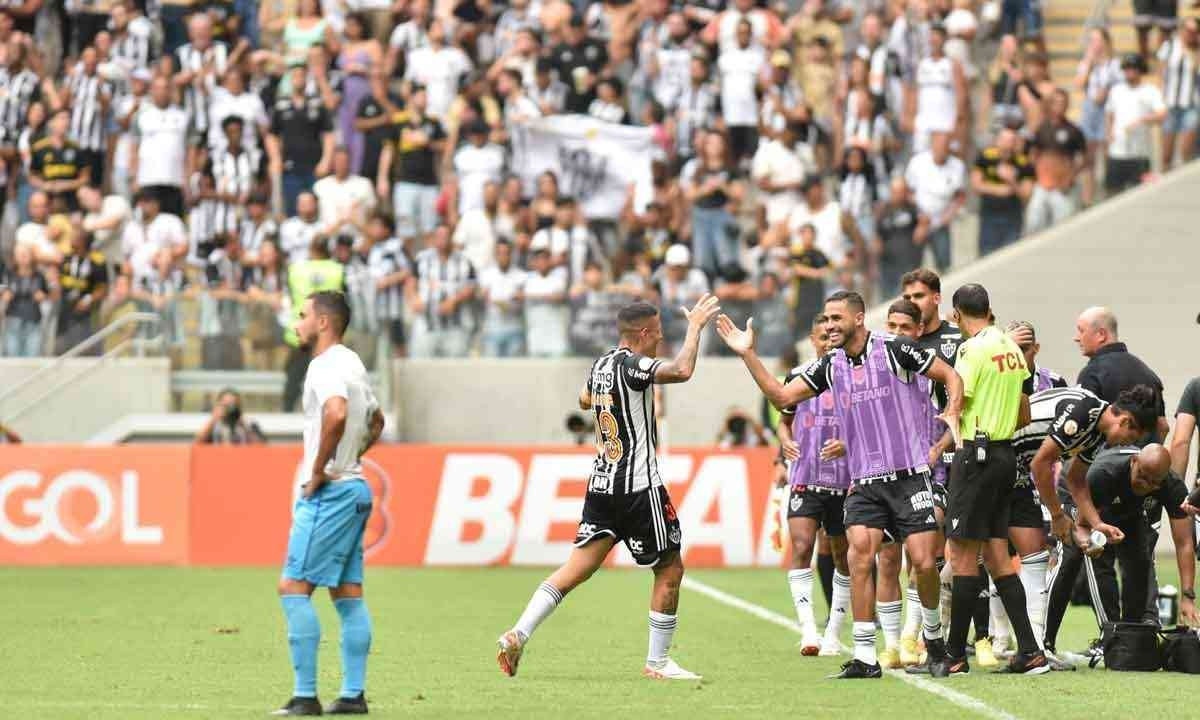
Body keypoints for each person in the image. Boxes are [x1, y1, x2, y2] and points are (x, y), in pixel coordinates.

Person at [717, 290, 963, 679]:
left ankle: (933, 640)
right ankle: (865, 656)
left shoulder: (895, 349)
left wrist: (951, 410)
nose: (829, 325)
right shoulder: (830, 365)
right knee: (858, 558)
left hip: (909, 476)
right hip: (864, 482)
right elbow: (782, 395)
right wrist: (748, 354)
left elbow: (949, 374)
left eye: (837, 318)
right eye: (826, 319)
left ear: (859, 318)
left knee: (922, 561)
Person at [495, 295, 721, 681]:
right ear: (645, 333)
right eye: (660, 335)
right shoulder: (635, 366)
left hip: (602, 485)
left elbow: (584, 400)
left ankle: (520, 631)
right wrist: (696, 327)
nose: (661, 341)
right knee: (669, 569)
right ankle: (659, 662)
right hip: (638, 487)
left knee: (574, 569)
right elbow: (682, 370)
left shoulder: (600, 365)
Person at [908, 283, 1043, 677]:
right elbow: (1023, 414)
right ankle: (1031, 651)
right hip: (1004, 456)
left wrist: (949, 423)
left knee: (962, 556)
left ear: (956, 314)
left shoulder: (971, 349)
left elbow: (957, 396)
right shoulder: (1011, 348)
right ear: (989, 308)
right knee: (998, 556)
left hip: (977, 456)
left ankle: (953, 655)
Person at [274, 290, 384, 717]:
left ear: (323, 322)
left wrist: (320, 468)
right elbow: (376, 420)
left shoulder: (324, 366)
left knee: (293, 588)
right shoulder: (353, 361)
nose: (297, 323)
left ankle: (305, 698)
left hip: (332, 492)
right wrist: (353, 457)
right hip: (356, 489)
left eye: (302, 315)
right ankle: (352, 696)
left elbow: (336, 414)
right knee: (347, 593)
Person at [1044, 445, 1199, 657]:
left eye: (1154, 482)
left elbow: (1184, 544)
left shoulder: (1171, 486)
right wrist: (1093, 539)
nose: (1146, 485)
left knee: (1139, 561)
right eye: (1142, 477)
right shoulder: (1104, 473)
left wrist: (1188, 597)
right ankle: (1060, 641)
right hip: (1078, 492)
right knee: (1078, 558)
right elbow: (1083, 527)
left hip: (1127, 508)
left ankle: (1128, 639)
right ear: (1134, 461)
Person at [776, 313, 850, 657]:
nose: (827, 342)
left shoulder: (852, 375)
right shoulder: (798, 377)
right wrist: (785, 441)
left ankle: (834, 631)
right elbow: (784, 421)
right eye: (821, 337)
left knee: (842, 556)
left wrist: (848, 443)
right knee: (802, 546)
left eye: (832, 336)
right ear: (812, 339)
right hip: (805, 477)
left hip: (846, 482)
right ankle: (808, 630)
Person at [282, 240, 346, 412]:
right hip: (327, 334)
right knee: (330, 379)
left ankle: (287, 412)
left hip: (300, 334)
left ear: (311, 250)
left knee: (294, 377)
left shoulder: (296, 270)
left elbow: (288, 295)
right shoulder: (337, 270)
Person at [1104, 53, 1166, 194]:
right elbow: (1109, 112)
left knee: (1140, 194)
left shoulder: (1150, 91)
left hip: (1139, 154)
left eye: (1133, 68)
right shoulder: (1116, 90)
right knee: (1113, 192)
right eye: (1127, 68)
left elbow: (1162, 114)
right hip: (1117, 152)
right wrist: (1109, 132)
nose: (1130, 71)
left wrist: (1142, 120)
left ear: (1140, 70)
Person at [971, 127, 1034, 256]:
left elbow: (1027, 194)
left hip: (1012, 217)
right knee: (986, 254)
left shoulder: (1023, 163)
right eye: (1004, 140)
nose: (1008, 145)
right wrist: (998, 190)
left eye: (1011, 141)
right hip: (989, 215)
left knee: (1011, 254)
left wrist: (1012, 181)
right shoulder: (986, 157)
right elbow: (976, 185)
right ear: (997, 141)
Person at [194, 388, 266, 444]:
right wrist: (213, 419)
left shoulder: (249, 423)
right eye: (226, 406)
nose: (230, 409)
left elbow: (261, 448)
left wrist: (244, 425)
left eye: (233, 405)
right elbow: (197, 444)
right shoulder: (213, 426)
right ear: (219, 405)